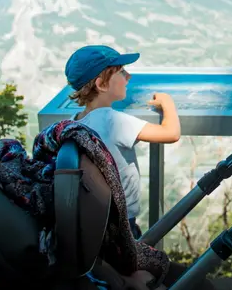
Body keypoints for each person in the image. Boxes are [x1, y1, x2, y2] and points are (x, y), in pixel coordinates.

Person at [65, 44, 182, 239]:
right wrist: (168, 103)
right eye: (121, 72)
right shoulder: (112, 120)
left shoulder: (73, 121)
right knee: (134, 263)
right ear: (102, 84)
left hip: (93, 218)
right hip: (121, 222)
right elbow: (170, 133)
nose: (128, 77)